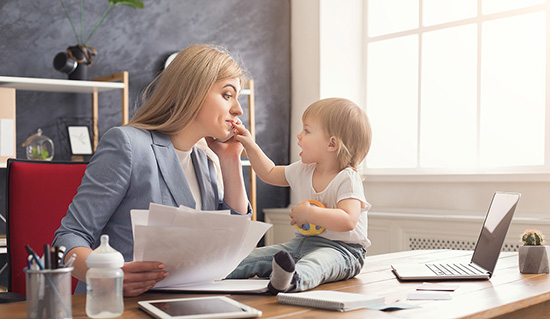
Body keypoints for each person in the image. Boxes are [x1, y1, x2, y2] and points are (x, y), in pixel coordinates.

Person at [53, 44, 251, 297]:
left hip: (189, 303)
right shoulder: (128, 145)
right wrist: (105, 275)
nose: (238, 110)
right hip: (120, 305)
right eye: (227, 95)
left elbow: (231, 244)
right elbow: (69, 237)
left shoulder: (205, 160)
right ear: (193, 91)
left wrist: (230, 160)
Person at [227, 97, 372, 294]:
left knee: (317, 263)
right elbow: (268, 172)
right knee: (253, 257)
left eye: (307, 130)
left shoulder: (347, 178)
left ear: (331, 144)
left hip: (343, 251)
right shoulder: (303, 170)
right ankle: (216, 271)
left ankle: (291, 280)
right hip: (302, 244)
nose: (298, 136)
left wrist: (309, 214)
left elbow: (348, 220)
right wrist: (249, 143)